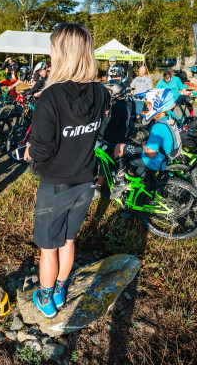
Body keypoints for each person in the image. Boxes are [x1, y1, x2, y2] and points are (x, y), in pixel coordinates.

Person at [23, 23, 110, 319]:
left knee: (49, 247)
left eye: (52, 47)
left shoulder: (49, 98)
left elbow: (43, 150)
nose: (49, 52)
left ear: (63, 53)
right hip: (85, 181)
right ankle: (60, 288)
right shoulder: (101, 92)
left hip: (56, 184)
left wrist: (29, 152)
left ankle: (46, 300)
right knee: (69, 240)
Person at [111, 88, 180, 198]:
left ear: (158, 105)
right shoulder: (170, 120)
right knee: (137, 164)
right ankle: (143, 187)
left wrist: (144, 145)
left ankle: (119, 183)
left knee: (119, 147)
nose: (147, 106)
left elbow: (150, 153)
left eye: (150, 104)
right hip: (166, 159)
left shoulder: (158, 127)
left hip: (156, 160)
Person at [94, 81, 130, 199]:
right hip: (116, 137)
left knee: (102, 160)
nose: (108, 94)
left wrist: (98, 132)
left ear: (116, 92)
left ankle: (99, 188)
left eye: (109, 91)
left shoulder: (118, 106)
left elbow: (110, 126)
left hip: (113, 140)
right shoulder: (120, 104)